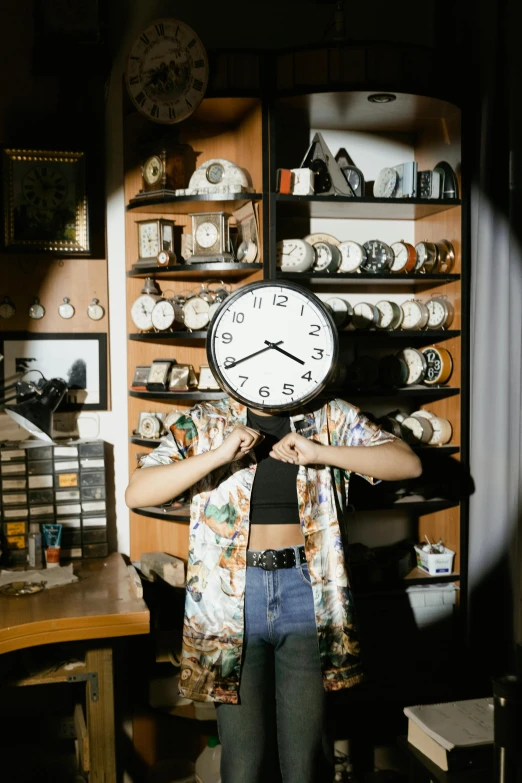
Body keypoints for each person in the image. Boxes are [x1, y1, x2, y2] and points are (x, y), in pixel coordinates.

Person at [125, 395, 422, 783]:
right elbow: (138, 492)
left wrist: (320, 451)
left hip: (307, 591)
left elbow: (407, 463)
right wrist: (219, 454)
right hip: (231, 600)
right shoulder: (207, 418)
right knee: (244, 762)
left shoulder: (329, 414)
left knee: (306, 761)